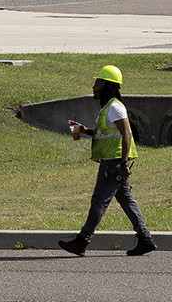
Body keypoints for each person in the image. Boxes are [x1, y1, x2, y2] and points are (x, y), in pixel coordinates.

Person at [59, 63, 156, 257]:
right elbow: (106, 134)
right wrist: (84, 130)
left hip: (114, 163)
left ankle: (82, 240)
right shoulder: (107, 108)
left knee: (99, 201)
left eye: (97, 84)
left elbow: (126, 135)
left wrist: (124, 163)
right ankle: (145, 239)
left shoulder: (115, 108)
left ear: (107, 86)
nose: (93, 87)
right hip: (113, 161)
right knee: (126, 199)